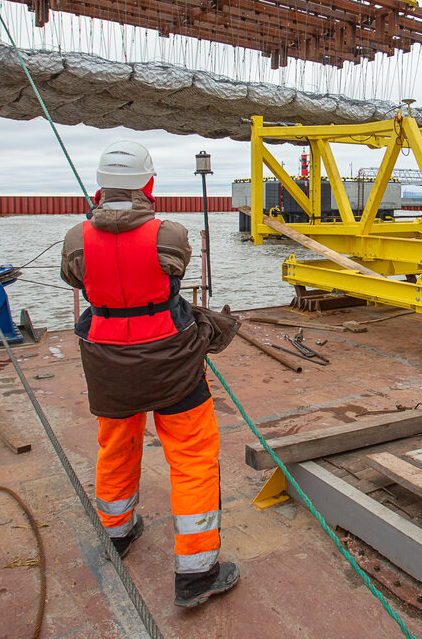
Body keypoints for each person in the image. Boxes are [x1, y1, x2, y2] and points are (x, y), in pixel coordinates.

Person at [60, 140, 241, 608]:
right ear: (150, 183)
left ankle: (117, 533)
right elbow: (173, 269)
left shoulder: (76, 239)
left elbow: (76, 278)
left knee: (115, 443)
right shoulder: (171, 234)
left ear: (100, 186)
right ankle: (197, 572)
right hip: (171, 361)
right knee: (193, 455)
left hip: (107, 362)